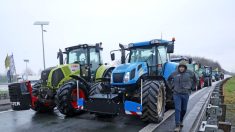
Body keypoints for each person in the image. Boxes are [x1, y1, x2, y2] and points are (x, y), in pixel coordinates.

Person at [168, 60, 196, 132]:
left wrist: (192, 87)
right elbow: (168, 79)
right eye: (180, 67)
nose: (181, 68)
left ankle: (181, 121)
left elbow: (196, 79)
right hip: (176, 94)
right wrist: (172, 87)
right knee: (178, 109)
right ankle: (177, 125)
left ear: (185, 67)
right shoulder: (174, 73)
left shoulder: (190, 73)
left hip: (186, 94)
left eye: (183, 67)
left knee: (184, 109)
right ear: (178, 67)